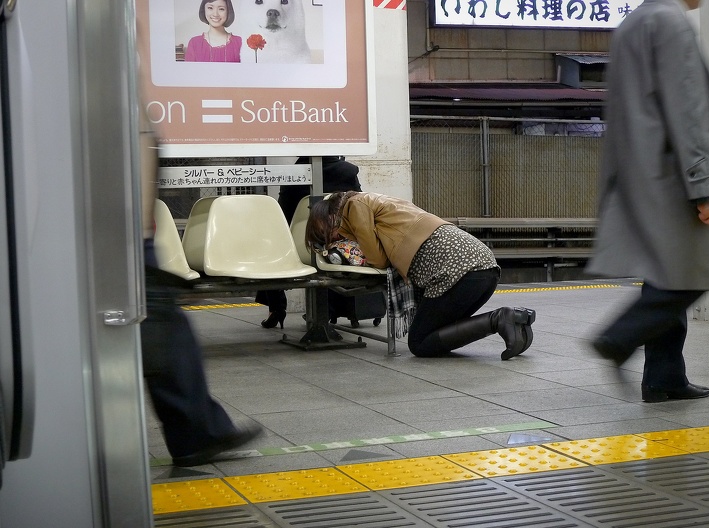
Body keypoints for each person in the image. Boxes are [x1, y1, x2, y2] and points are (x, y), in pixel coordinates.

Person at [585, 0, 709, 403]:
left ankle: (665, 377)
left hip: (637, 173)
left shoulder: (634, 22)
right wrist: (704, 187)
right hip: (672, 176)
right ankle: (617, 339)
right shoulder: (670, 22)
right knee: (691, 279)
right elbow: (687, 112)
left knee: (666, 276)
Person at [138, 99, 261, 467]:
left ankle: (196, 433)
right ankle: (196, 434)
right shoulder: (111, 86)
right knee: (167, 335)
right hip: (126, 237)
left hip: (130, 236)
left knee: (166, 334)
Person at [304, 191, 537, 360]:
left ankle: (500, 319)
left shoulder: (354, 206)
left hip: (457, 270)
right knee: (437, 332)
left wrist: (351, 247)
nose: (333, 239)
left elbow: (378, 259)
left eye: (327, 233)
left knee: (419, 343)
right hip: (481, 264)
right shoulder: (379, 201)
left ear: (328, 217)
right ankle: (516, 322)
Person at [256, 156, 363, 329]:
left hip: (304, 244)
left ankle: (276, 308)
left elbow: (283, 215)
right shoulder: (348, 171)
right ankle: (332, 310)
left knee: (270, 247)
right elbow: (357, 205)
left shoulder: (295, 173)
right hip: (338, 245)